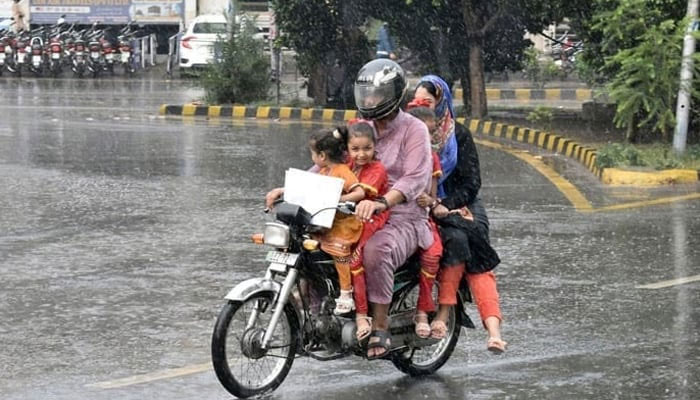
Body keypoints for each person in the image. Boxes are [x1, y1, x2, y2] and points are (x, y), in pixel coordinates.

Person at [412, 75, 507, 353]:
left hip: (458, 203)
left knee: (469, 246)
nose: (423, 111)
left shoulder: (459, 135)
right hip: (421, 203)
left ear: (441, 103)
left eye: (428, 103)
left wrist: (445, 203)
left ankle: (492, 330)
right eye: (417, 104)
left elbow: (471, 183)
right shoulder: (407, 133)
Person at [352, 59, 433, 359]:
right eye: (367, 94)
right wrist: (289, 189)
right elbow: (334, 163)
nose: (370, 101)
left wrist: (383, 201)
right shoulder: (361, 128)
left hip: (404, 217)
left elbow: (415, 179)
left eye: (378, 94)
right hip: (361, 211)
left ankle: (381, 325)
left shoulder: (414, 130)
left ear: (395, 94)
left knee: (376, 251)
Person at [340, 120, 390, 341]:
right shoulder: (345, 166)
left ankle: (362, 315)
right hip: (347, 218)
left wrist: (334, 197)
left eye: (367, 148)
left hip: (371, 217)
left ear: (374, 147)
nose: (361, 154)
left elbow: (360, 194)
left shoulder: (377, 169)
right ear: (347, 149)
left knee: (354, 259)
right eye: (355, 149)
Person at [309, 129, 366, 315]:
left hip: (343, 224)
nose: (312, 158)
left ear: (322, 155)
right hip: (326, 221)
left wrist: (339, 199)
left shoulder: (342, 171)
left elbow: (359, 192)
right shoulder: (324, 171)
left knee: (339, 251)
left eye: (313, 154)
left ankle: (346, 293)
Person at [405, 101, 444, 339]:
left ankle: (422, 310)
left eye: (430, 132)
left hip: (419, 220)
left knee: (432, 254)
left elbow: (433, 197)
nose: (427, 138)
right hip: (388, 217)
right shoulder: (395, 152)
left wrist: (427, 201)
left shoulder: (432, 159)